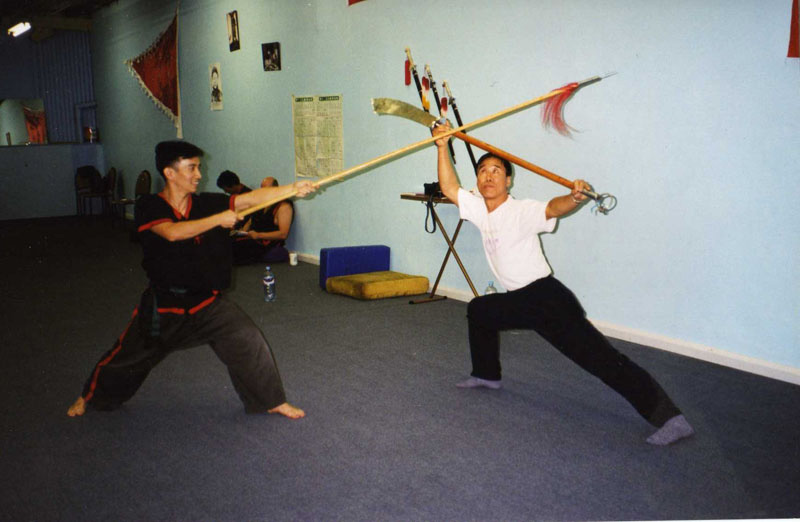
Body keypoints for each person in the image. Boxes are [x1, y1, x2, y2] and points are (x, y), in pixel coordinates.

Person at [432, 123, 694, 446]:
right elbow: (449, 187)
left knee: (601, 360)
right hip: (518, 300)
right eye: (483, 171)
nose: (488, 176)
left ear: (508, 180)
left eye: (496, 171)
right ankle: (486, 375)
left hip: (546, 301)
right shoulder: (479, 208)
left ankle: (671, 418)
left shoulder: (522, 210)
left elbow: (553, 207)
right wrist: (442, 146)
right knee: (480, 310)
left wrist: (574, 197)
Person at [67, 140, 315, 419]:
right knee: (129, 357)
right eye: (192, 168)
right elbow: (172, 232)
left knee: (248, 340)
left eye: (198, 167)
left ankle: (270, 400)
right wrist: (218, 220)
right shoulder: (150, 205)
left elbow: (249, 199)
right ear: (170, 173)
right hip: (165, 306)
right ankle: (90, 396)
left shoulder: (206, 202)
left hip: (206, 302)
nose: (199, 174)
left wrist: (292, 189)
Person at [232, 176, 294, 265]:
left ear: (275, 190)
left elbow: (283, 234)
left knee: (235, 248)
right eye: (262, 189)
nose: (262, 192)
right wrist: (242, 232)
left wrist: (258, 235)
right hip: (253, 238)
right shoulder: (261, 203)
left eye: (265, 189)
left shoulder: (284, 206)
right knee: (229, 241)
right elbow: (251, 220)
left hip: (266, 243)